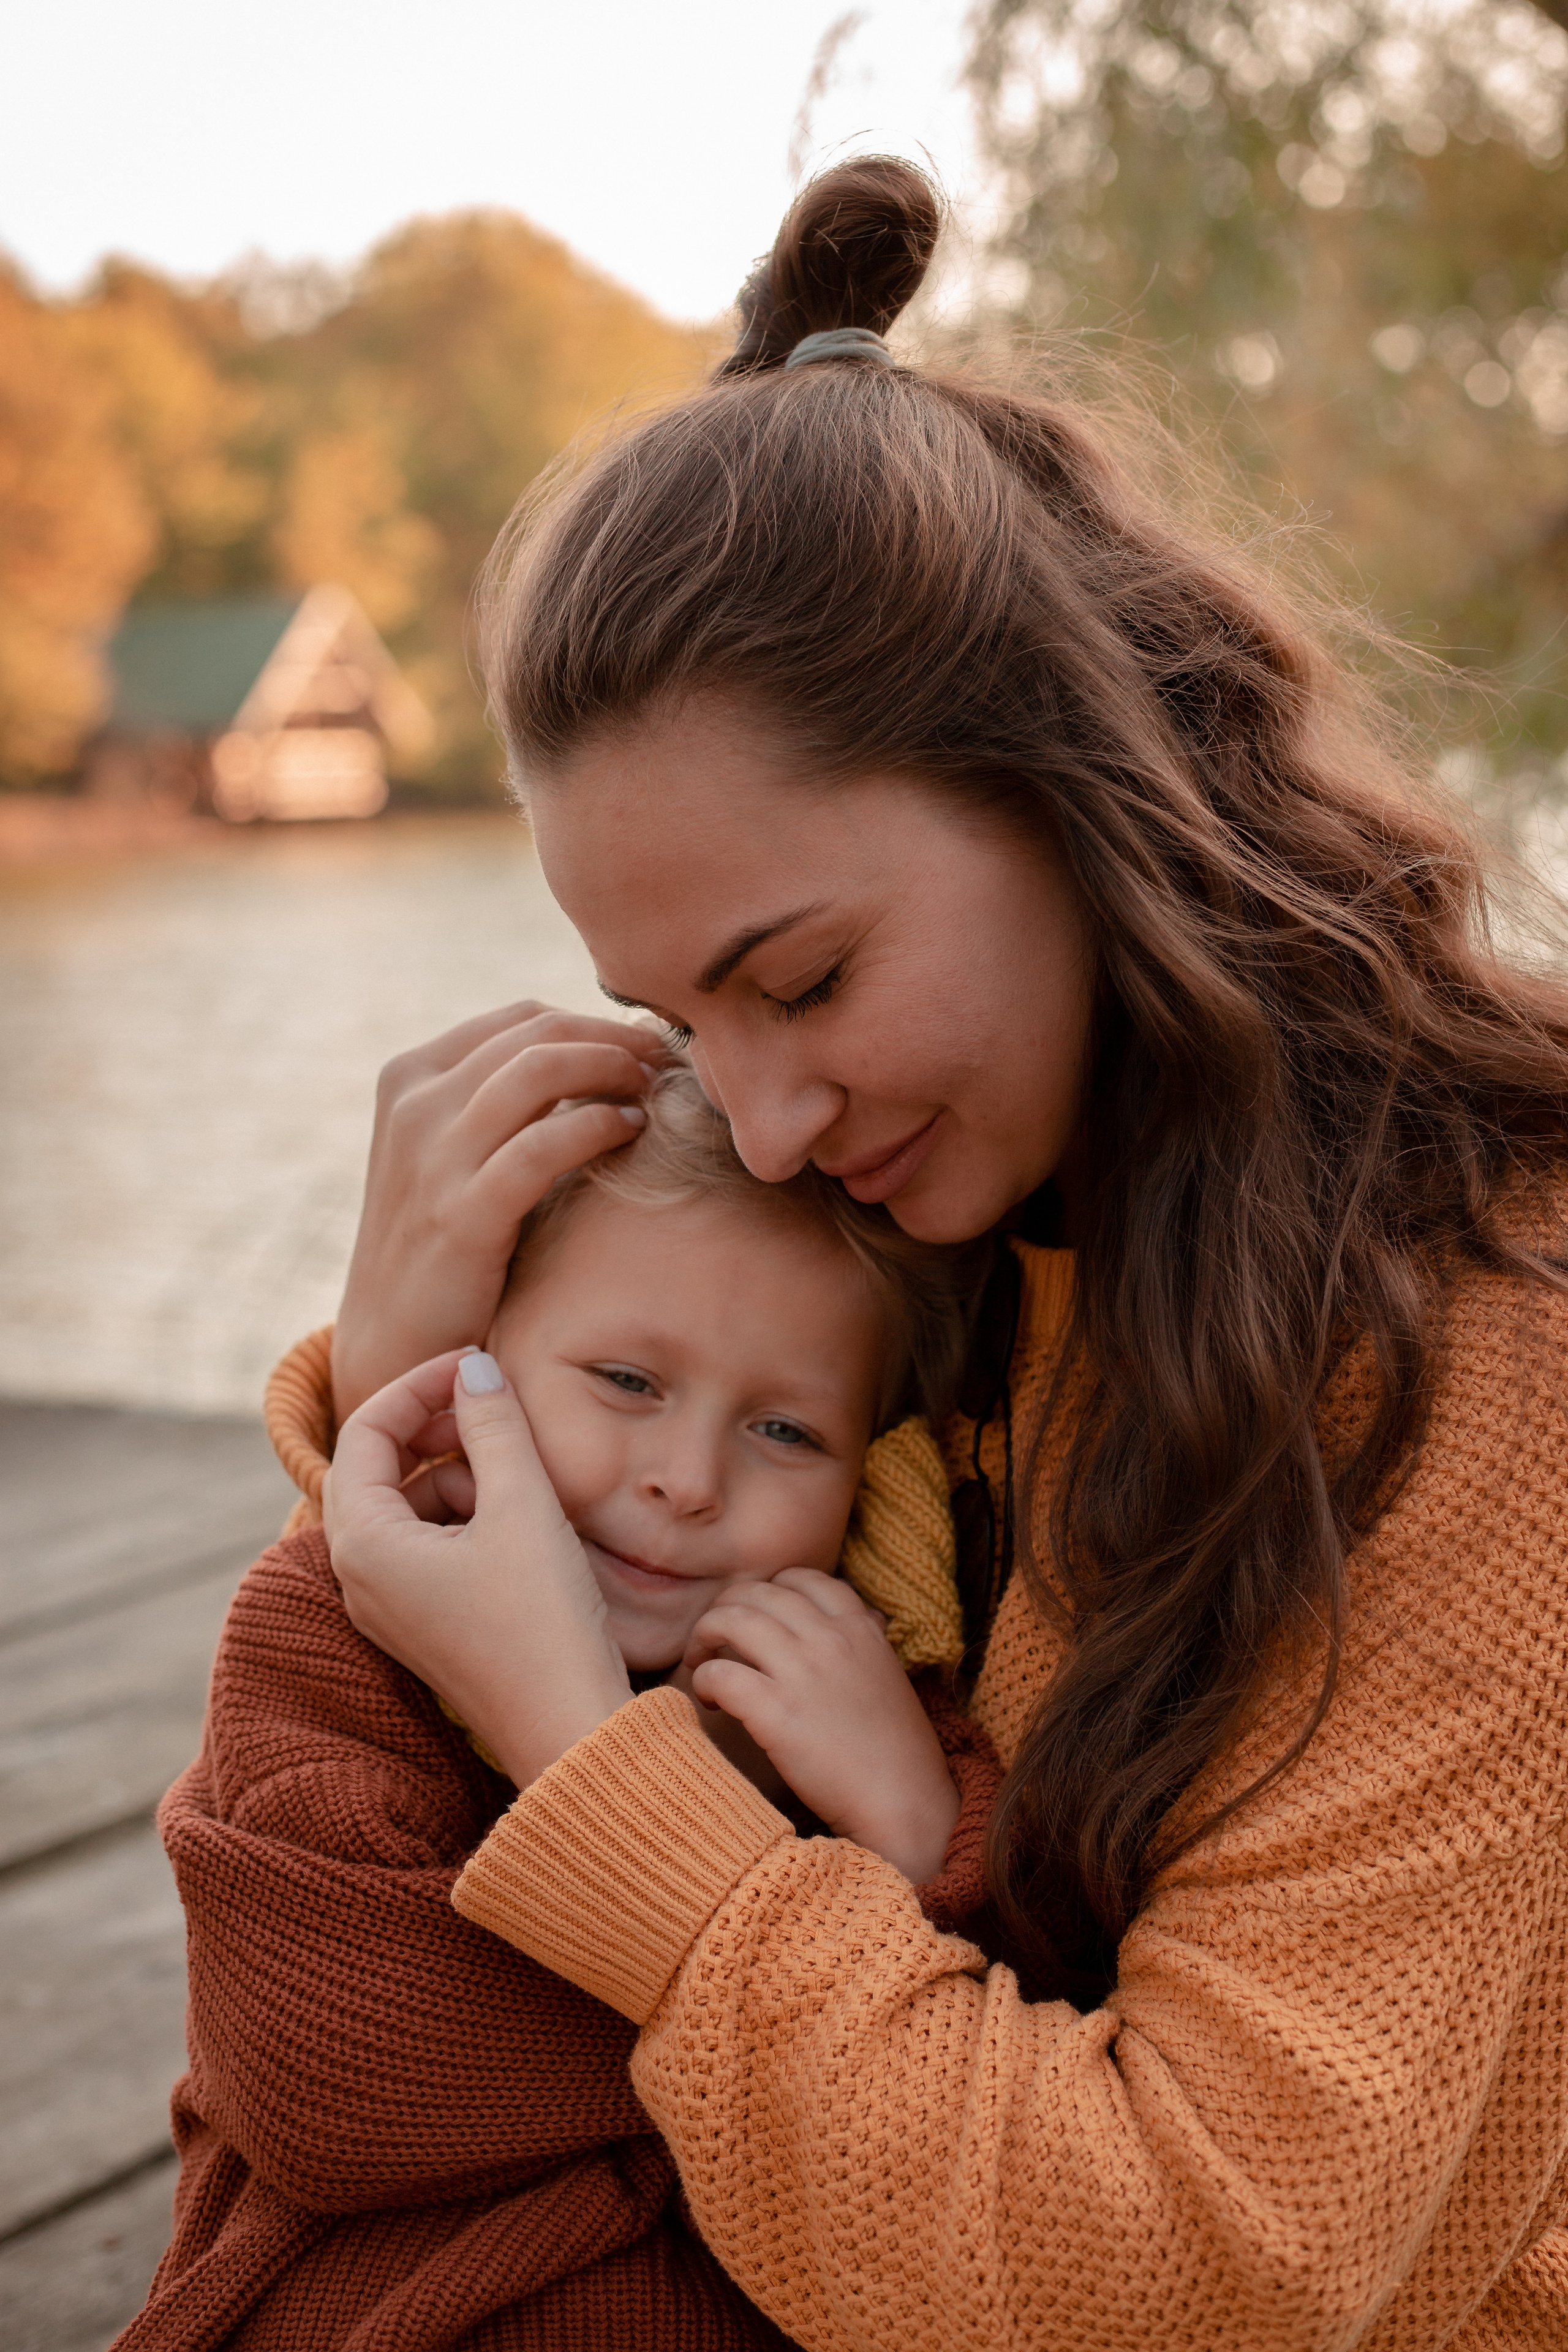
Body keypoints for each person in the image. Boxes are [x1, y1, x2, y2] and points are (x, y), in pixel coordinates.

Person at [315, 153, 1567, 2349]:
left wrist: (602, 1780)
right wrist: (401, 1374)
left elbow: (1198, 2275)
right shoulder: (954, 1198)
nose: (762, 1125)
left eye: (802, 980)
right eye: (677, 1017)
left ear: (1079, 785)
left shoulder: (1492, 1340)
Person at [115, 1064, 1003, 2351]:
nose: (687, 1481)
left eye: (786, 1432)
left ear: (875, 1468)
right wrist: (789, 2018)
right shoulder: (336, 1637)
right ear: (468, 1374)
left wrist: (922, 1829)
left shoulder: (864, 1694)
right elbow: (334, 2082)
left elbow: (1006, 2094)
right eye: (627, 1381)